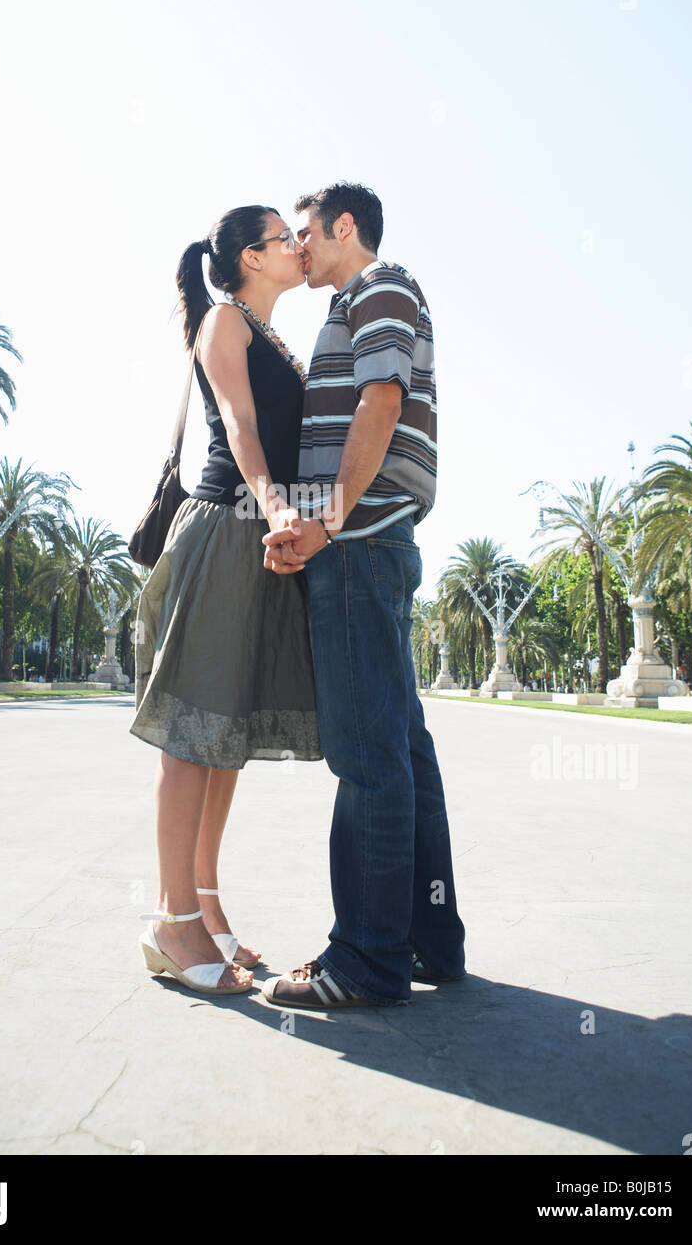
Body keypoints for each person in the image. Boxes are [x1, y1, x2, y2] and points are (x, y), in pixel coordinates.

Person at [260, 181, 466, 1010]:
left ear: (346, 228)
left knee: (368, 752)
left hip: (360, 542)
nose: (299, 246)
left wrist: (327, 520)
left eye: (306, 231)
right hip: (378, 541)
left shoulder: (375, 288)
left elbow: (381, 402)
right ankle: (428, 939)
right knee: (403, 747)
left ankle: (366, 962)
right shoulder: (367, 299)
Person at [131, 204, 321, 997]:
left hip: (265, 543)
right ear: (250, 255)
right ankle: (171, 922)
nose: (298, 247)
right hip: (226, 529)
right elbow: (240, 424)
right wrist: (277, 504)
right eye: (285, 238)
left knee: (226, 738)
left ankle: (206, 910)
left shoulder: (275, 336)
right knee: (193, 728)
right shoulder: (223, 322)